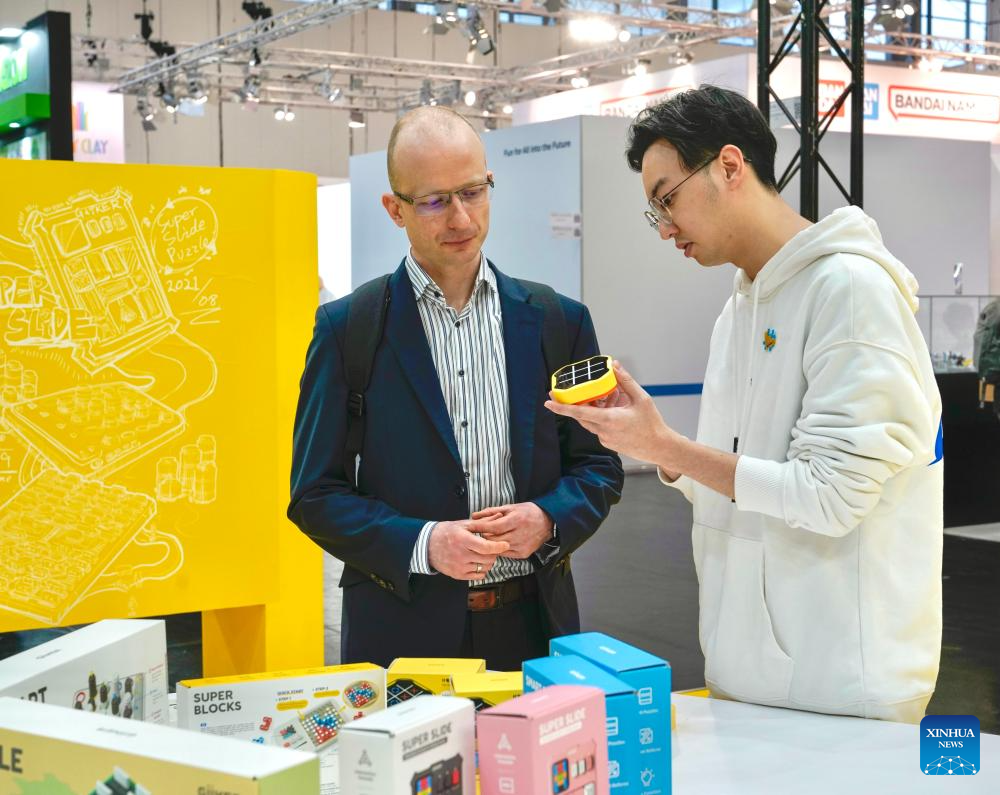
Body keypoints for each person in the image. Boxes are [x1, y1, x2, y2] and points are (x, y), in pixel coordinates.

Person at [546, 86, 943, 723]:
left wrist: (667, 449)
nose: (665, 227)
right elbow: (745, 479)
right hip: (748, 678)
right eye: (655, 212)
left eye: (667, 198)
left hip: (844, 688)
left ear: (731, 166)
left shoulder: (850, 290)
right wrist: (665, 455)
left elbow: (830, 496)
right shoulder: (738, 309)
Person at [289, 106, 624, 670]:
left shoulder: (556, 320)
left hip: (535, 628)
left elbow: (598, 466)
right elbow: (315, 495)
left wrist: (548, 518)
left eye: (473, 191)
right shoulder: (350, 329)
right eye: (434, 200)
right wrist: (424, 543)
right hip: (403, 633)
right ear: (394, 209)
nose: (460, 217)